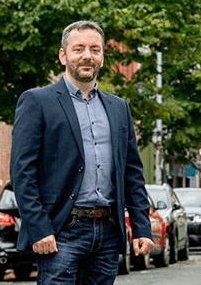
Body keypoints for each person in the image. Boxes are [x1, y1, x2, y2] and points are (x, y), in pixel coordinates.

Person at [10, 20, 154, 284]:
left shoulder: (119, 108)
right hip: (61, 231)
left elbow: (132, 173)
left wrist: (141, 227)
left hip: (108, 232)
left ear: (101, 56)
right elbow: (22, 173)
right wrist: (39, 228)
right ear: (63, 55)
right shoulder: (37, 101)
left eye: (95, 49)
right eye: (79, 49)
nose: (87, 56)